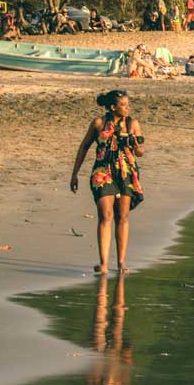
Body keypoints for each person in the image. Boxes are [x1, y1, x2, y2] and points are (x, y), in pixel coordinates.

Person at [71, 90, 145, 274]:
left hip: (126, 171)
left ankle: (121, 263)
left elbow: (140, 152)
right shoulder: (99, 123)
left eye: (128, 104)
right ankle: (103, 263)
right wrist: (75, 174)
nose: (128, 107)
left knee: (122, 216)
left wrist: (136, 145)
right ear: (113, 107)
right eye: (124, 104)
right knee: (106, 215)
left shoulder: (132, 124)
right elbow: (84, 146)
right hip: (103, 171)